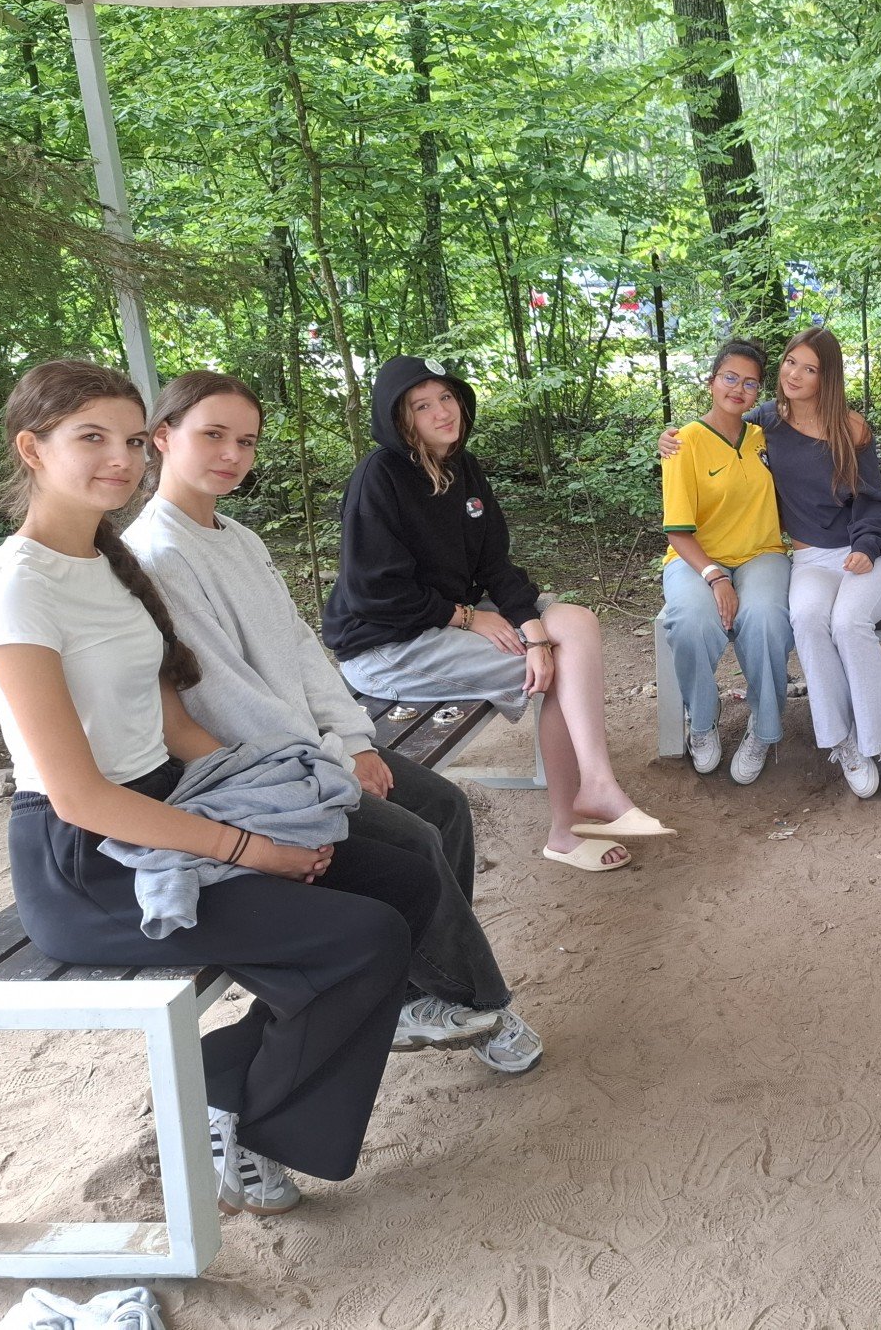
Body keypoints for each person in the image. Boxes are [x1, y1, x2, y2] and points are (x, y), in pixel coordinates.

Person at [0, 360, 439, 1215]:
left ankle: (224, 1080)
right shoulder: (14, 588)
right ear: (32, 449)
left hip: (175, 804)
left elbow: (177, 730)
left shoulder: (108, 566)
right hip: (89, 864)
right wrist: (253, 849)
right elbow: (80, 796)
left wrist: (276, 790)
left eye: (127, 440)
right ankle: (250, 1128)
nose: (120, 460)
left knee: (402, 879)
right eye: (91, 439)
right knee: (362, 938)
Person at [129, 370, 542, 1074]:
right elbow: (220, 698)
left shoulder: (237, 536)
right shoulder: (160, 555)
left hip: (308, 748)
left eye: (246, 441)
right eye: (213, 435)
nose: (231, 454)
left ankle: (423, 989)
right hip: (248, 771)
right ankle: (476, 1002)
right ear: (163, 437)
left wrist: (351, 739)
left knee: (443, 805)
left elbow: (298, 648)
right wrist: (332, 757)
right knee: (412, 839)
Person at [324, 355, 671, 873]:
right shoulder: (380, 477)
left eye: (446, 397)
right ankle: (565, 830)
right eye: (423, 406)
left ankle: (597, 783)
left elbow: (494, 563)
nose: (443, 412)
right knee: (561, 670)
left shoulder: (461, 465)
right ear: (400, 419)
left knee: (575, 624)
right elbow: (374, 592)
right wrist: (466, 617)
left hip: (443, 618)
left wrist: (531, 627)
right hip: (386, 644)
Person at [661, 326, 881, 801]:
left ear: (826, 377)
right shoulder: (767, 423)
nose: (795, 375)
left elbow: (873, 500)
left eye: (810, 368)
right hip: (810, 557)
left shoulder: (851, 428)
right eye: (790, 363)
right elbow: (720, 424)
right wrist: (670, 439)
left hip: (864, 553)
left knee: (848, 623)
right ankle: (843, 742)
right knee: (808, 621)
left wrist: (867, 544)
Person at [660, 339, 794, 784]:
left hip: (761, 553)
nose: (738, 389)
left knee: (767, 619)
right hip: (696, 558)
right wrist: (715, 576)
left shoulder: (766, 436)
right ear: (711, 381)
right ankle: (702, 720)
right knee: (690, 621)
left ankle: (764, 727)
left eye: (750, 383)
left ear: (759, 392)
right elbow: (678, 531)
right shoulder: (683, 443)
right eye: (730, 378)